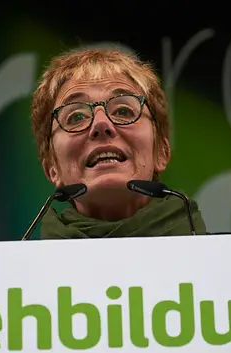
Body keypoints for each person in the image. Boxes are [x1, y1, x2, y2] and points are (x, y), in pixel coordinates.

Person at [30, 46, 208, 239]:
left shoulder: (223, 262)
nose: (101, 124)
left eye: (123, 111)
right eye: (76, 116)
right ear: (52, 168)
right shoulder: (22, 267)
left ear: (161, 152)